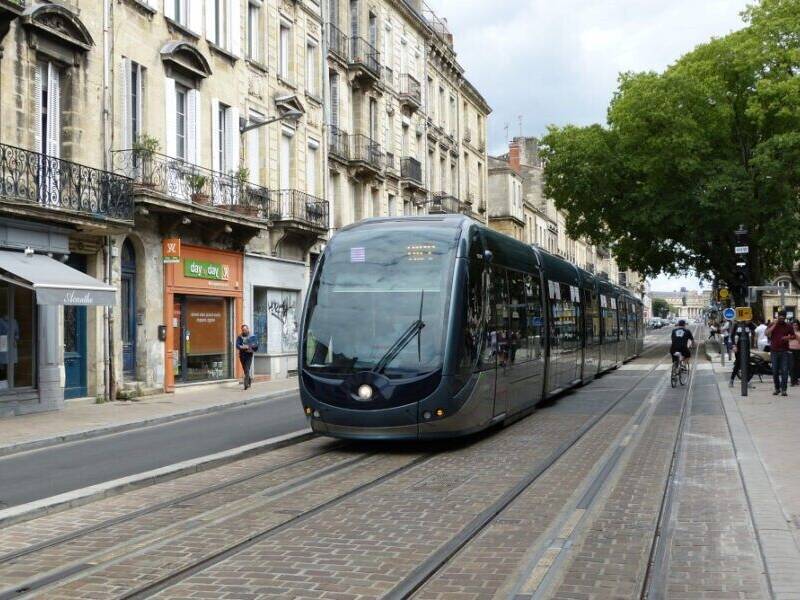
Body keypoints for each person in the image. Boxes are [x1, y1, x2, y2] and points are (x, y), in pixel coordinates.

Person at [766, 310, 796, 396]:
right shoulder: (772, 324)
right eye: (780, 316)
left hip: (784, 351)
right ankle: (777, 388)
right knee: (775, 371)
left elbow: (793, 336)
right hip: (774, 351)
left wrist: (788, 337)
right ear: (778, 316)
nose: (782, 317)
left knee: (785, 371)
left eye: (783, 316)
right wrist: (774, 324)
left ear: (785, 317)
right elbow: (766, 333)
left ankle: (784, 390)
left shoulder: (788, 326)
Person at [729, 319, 757, 388]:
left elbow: (755, 329)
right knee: (738, 364)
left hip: (746, 347)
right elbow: (732, 335)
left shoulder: (748, 324)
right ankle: (731, 380)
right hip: (738, 347)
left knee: (747, 363)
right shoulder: (736, 324)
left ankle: (748, 381)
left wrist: (750, 322)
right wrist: (733, 345)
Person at [235, 324, 259, 390]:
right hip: (242, 355)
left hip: (249, 355)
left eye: (245, 330)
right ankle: (249, 379)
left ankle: (246, 384)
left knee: (246, 368)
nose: (244, 331)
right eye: (243, 330)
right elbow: (237, 345)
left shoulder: (252, 336)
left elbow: (256, 345)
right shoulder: (239, 337)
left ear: (248, 329)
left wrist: (251, 346)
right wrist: (242, 347)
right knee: (245, 369)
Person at [790, 320, 800, 386]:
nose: (795, 326)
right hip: (790, 350)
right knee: (792, 365)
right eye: (794, 325)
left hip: (798, 350)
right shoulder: (789, 332)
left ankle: (796, 380)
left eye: (796, 325)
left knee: (797, 366)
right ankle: (792, 381)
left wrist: (796, 335)